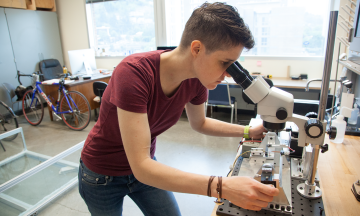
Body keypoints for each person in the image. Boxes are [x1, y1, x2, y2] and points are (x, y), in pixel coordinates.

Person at [78, 2, 279, 216]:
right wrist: (222, 186)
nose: (228, 74)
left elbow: (200, 123)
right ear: (197, 49)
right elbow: (141, 167)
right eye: (224, 63)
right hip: (101, 175)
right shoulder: (133, 73)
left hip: (146, 166)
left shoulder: (197, 79)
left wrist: (250, 131)